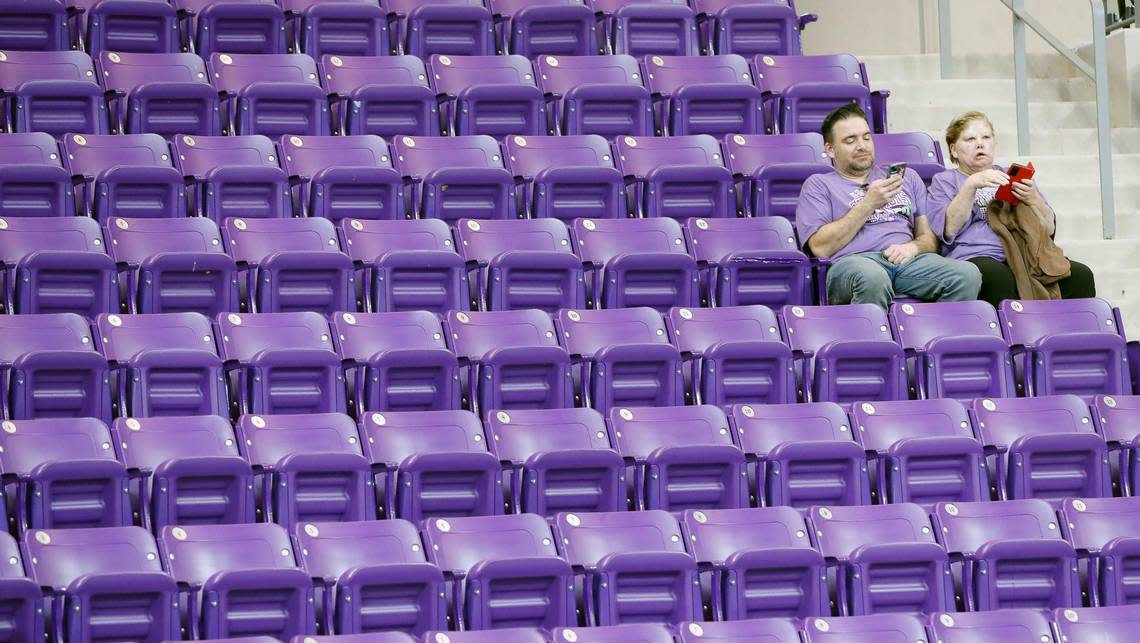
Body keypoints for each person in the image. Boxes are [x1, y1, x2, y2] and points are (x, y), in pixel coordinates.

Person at [795, 103, 981, 309]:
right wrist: (869, 203)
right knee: (873, 277)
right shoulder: (818, 184)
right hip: (853, 263)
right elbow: (820, 248)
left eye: (866, 137)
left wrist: (913, 247)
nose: (862, 145)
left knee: (967, 274)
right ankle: (872, 341)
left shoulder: (907, 178)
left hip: (908, 261)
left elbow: (929, 239)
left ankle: (935, 338)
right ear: (830, 149)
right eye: (850, 140)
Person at [927, 110, 1095, 307]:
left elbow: (1048, 229)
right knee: (997, 277)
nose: (980, 143)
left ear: (994, 144)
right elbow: (948, 229)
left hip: (1026, 254)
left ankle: (1069, 337)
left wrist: (1033, 200)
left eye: (986, 137)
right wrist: (971, 185)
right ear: (954, 150)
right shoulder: (945, 181)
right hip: (977, 255)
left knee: (1081, 275)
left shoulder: (1012, 175)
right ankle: (1018, 337)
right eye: (970, 139)